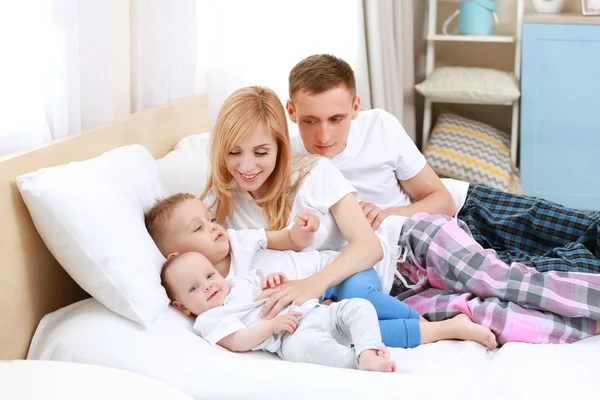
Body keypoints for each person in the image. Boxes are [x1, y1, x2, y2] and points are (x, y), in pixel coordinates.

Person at [195, 85, 600, 345]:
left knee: (504, 279)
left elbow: (368, 245)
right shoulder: (219, 212)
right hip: (389, 288)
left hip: (408, 242)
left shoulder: (314, 172)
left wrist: (309, 285)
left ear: (281, 147)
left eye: (261, 153)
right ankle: (589, 326)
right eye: (234, 153)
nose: (246, 166)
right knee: (487, 317)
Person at [286, 53, 600, 275]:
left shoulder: (379, 126)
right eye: (310, 120)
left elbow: (442, 200)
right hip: (429, 243)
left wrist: (387, 214)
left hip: (467, 207)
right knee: (551, 268)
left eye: (336, 119)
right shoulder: (286, 161)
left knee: (580, 226)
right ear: (291, 112)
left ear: (355, 107)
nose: (323, 134)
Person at [145, 193, 498, 350]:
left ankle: (425, 326)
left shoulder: (242, 241)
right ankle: (445, 330)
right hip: (319, 305)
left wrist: (302, 228)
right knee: (356, 335)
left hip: (338, 272)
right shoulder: (214, 293)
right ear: (177, 255)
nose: (212, 227)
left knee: (359, 298)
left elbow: (290, 241)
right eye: (198, 229)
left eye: (209, 219)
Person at [160, 251, 396, 372]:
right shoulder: (210, 318)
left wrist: (273, 281)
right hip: (290, 335)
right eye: (194, 288)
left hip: (315, 311)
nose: (208, 285)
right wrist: (272, 327)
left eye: (210, 275)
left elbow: (263, 287)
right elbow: (237, 341)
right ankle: (355, 362)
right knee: (307, 348)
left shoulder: (238, 282)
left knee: (359, 306)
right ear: (182, 307)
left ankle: (367, 350)